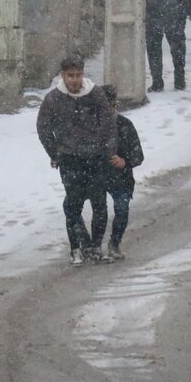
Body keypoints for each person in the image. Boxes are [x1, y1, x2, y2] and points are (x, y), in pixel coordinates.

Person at [36, 55, 120, 265]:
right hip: (69, 159)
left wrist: (103, 148)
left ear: (83, 74)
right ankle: (76, 248)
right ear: (62, 76)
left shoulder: (95, 94)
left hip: (95, 159)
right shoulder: (53, 99)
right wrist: (54, 152)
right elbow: (43, 128)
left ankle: (96, 246)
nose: (74, 80)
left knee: (99, 204)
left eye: (78, 75)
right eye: (70, 75)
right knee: (73, 206)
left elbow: (108, 125)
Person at [91, 85, 144, 261]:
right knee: (99, 211)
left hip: (121, 177)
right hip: (98, 175)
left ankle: (114, 243)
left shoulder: (125, 125)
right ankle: (96, 246)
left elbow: (138, 154)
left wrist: (125, 162)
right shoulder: (90, 127)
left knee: (122, 209)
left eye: (111, 106)